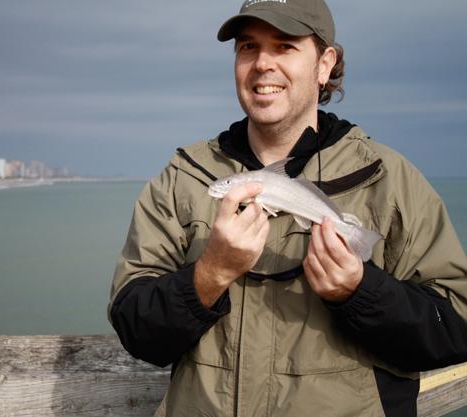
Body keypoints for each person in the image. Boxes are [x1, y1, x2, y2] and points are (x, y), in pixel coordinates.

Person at [108, 0, 467, 416]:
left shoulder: (390, 180)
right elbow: (135, 332)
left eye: (284, 46)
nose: (262, 63)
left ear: (324, 64)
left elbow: (456, 328)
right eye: (248, 47)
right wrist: (211, 274)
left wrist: (360, 292)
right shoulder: (182, 179)